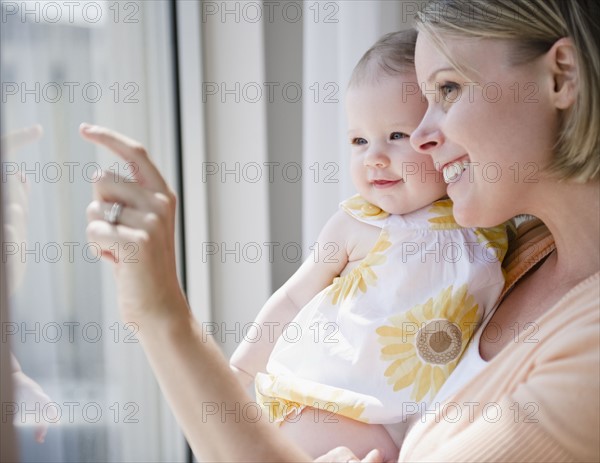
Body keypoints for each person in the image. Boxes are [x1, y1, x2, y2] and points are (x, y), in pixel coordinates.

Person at [80, 0, 599, 461]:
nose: (420, 136)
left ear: (560, 78)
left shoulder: (585, 356)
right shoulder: (521, 251)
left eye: (448, 88)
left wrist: (159, 311)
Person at [228, 29, 508, 461]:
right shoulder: (359, 223)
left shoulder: (484, 220)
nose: (374, 157)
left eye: (397, 135)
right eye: (359, 141)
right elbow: (293, 297)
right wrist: (240, 370)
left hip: (419, 418)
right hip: (331, 401)